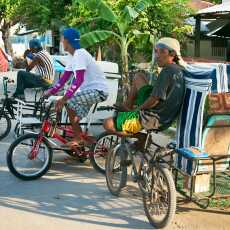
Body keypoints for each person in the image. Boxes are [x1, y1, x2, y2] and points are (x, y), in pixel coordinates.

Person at [103, 37, 185, 138]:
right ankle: (127, 106)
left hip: (152, 117)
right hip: (164, 114)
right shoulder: (178, 69)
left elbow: (154, 100)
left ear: (172, 54)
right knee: (139, 77)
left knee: (107, 123)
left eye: (161, 52)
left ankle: (141, 137)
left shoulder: (167, 71)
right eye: (156, 52)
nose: (157, 56)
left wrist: (137, 110)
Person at [45, 28, 109, 148]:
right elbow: (62, 81)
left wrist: (64, 99)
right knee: (74, 117)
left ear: (67, 41)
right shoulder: (73, 56)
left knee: (68, 102)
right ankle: (86, 141)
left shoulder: (80, 54)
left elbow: (78, 80)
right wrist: (49, 92)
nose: (61, 42)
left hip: (99, 91)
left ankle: (78, 137)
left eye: (62, 39)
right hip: (89, 92)